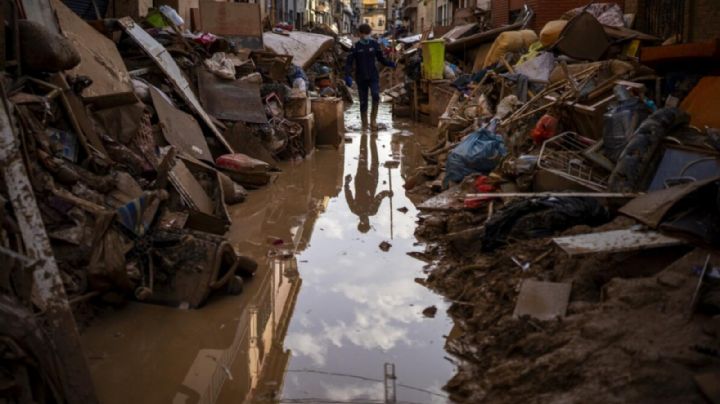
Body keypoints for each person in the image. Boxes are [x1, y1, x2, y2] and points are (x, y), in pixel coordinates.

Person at [344, 23, 396, 129]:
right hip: (361, 77)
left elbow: (381, 58)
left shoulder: (375, 45)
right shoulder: (355, 47)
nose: (366, 35)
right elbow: (349, 63)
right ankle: (364, 124)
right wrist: (347, 75)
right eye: (364, 34)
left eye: (368, 33)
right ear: (360, 34)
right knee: (363, 101)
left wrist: (390, 63)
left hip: (373, 76)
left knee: (376, 95)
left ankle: (373, 121)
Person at [344, 134, 393, 233]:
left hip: (361, 180)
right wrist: (387, 193)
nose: (364, 220)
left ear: (359, 222)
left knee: (363, 154)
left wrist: (346, 183)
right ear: (368, 222)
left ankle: (364, 134)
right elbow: (378, 197)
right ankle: (372, 138)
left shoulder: (355, 209)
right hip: (372, 181)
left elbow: (348, 195)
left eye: (362, 222)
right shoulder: (372, 211)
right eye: (366, 222)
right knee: (375, 160)